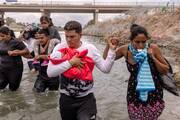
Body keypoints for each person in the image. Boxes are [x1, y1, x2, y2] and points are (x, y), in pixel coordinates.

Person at [47, 21, 116, 120]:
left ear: (80, 35)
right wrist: (70, 63)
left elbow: (105, 69)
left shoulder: (90, 48)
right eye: (66, 36)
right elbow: (50, 73)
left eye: (72, 36)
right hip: (66, 99)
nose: (69, 40)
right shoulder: (59, 48)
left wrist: (112, 51)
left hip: (86, 99)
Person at [103, 24, 169, 120]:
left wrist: (153, 58)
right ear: (131, 40)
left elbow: (165, 70)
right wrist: (109, 46)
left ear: (147, 40)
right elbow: (106, 59)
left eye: (143, 42)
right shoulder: (125, 50)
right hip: (134, 91)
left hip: (153, 89)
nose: (141, 45)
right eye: (137, 42)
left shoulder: (153, 48)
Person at [0, 26, 30, 91]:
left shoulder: (16, 41)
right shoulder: (1, 41)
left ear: (8, 34)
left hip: (15, 70)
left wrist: (18, 53)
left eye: (3, 36)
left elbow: (27, 50)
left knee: (13, 90)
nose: (1, 38)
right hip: (3, 69)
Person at [33, 29, 60, 93]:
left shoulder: (55, 45)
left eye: (42, 38)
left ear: (48, 37)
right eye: (38, 38)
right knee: (36, 93)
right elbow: (30, 56)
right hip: (41, 76)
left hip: (54, 77)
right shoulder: (37, 45)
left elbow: (56, 57)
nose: (40, 40)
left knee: (53, 95)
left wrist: (41, 56)